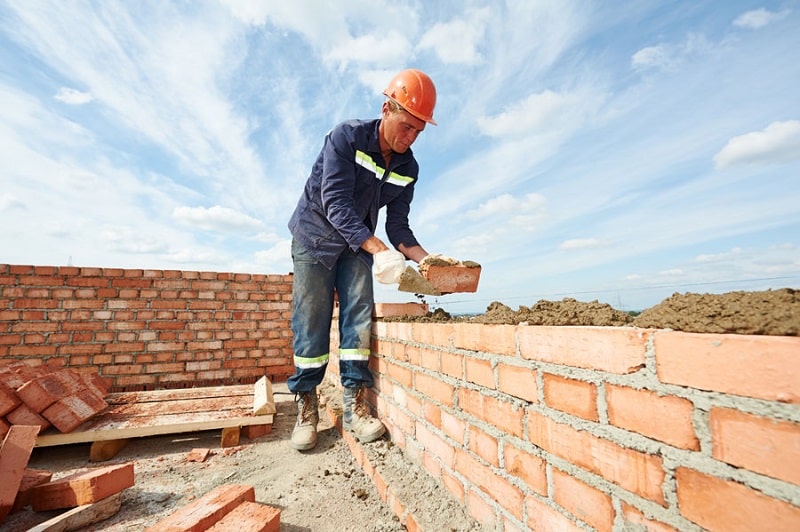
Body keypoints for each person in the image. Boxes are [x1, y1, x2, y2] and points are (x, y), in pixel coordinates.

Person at [286, 68, 439, 451]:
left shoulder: (408, 168)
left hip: (357, 244)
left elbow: (400, 228)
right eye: (406, 126)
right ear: (387, 108)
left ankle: (356, 407)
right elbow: (334, 202)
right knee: (311, 319)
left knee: (358, 318)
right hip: (315, 238)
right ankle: (307, 405)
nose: (410, 138)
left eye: (418, 132)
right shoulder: (346, 138)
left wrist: (430, 261)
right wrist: (377, 248)